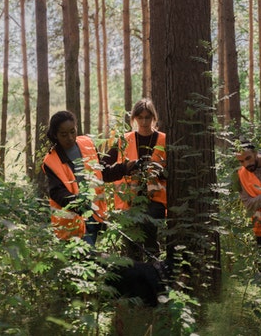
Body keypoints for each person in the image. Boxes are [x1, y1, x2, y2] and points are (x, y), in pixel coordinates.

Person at [42, 110, 138, 247]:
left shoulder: (87, 144)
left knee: (89, 262)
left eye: (72, 131)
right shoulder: (51, 160)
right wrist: (77, 203)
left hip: (94, 216)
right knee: (85, 260)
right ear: (55, 135)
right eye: (64, 134)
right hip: (72, 222)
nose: (69, 137)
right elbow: (56, 191)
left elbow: (102, 173)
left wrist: (125, 168)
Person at [102, 98, 167, 259]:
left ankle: (155, 276)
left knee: (151, 241)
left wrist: (158, 171)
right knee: (132, 247)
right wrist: (125, 168)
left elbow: (173, 171)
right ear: (134, 119)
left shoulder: (164, 140)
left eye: (148, 117)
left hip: (156, 200)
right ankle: (134, 279)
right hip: (128, 200)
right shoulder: (124, 140)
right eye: (140, 117)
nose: (144, 122)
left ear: (154, 118)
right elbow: (103, 165)